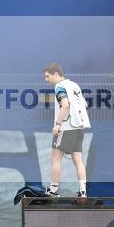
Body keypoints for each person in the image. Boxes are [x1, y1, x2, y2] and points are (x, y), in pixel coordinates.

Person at [43, 63, 91, 198]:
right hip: (79, 127)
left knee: (55, 159)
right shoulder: (74, 85)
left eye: (47, 76)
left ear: (56, 74)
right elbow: (85, 104)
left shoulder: (60, 86)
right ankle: (83, 192)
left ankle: (53, 191)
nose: (46, 80)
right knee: (78, 160)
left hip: (66, 127)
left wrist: (57, 125)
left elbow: (64, 105)